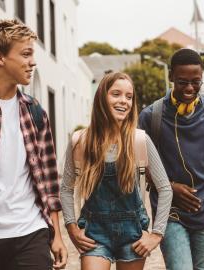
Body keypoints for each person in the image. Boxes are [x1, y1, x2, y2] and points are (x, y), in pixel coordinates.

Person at [139, 48, 204, 270]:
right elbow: (139, 161)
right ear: (171, 77)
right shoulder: (151, 116)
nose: (189, 88)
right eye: (182, 82)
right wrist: (169, 186)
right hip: (170, 211)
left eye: (196, 82)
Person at [61, 71, 172, 270]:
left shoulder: (139, 140)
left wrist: (156, 234)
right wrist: (71, 228)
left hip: (133, 233)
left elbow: (165, 188)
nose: (124, 101)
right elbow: (66, 189)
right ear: (101, 97)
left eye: (129, 97)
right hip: (94, 233)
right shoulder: (81, 141)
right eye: (116, 94)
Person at [0, 19, 67, 269]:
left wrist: (57, 235)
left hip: (31, 233)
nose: (33, 61)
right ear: (0, 57)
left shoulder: (35, 111)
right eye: (26, 53)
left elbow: (50, 179)